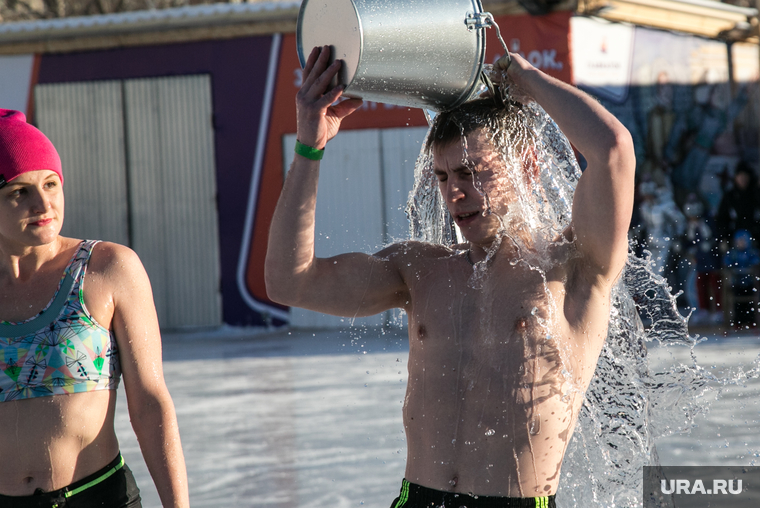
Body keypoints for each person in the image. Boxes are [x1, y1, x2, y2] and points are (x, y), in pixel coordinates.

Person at [265, 46, 635, 507]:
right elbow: (289, 282)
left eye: (471, 172)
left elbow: (613, 151)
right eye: (441, 176)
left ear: (527, 167)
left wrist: (531, 82)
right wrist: (309, 146)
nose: (455, 192)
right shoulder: (419, 268)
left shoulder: (572, 266)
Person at [0, 109, 189, 507]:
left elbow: (150, 401)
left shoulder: (106, 268)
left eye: (51, 184)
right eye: (20, 192)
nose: (43, 203)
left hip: (97, 496)